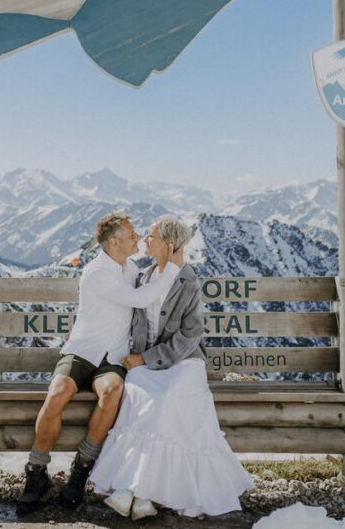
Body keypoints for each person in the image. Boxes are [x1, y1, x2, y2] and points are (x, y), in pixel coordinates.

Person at [89, 215, 255, 519]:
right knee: (138, 392)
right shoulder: (144, 276)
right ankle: (140, 494)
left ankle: (136, 489)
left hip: (183, 362)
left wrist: (147, 359)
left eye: (151, 236)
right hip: (147, 363)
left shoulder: (187, 281)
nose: (144, 241)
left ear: (167, 244)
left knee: (166, 400)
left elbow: (191, 336)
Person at [16, 211, 182, 513]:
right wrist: (172, 267)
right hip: (82, 351)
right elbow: (141, 300)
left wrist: (170, 260)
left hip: (113, 356)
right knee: (57, 394)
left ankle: (81, 469)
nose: (137, 237)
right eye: (132, 234)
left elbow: (150, 292)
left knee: (112, 391)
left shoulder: (130, 268)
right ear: (115, 241)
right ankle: (36, 472)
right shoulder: (96, 272)